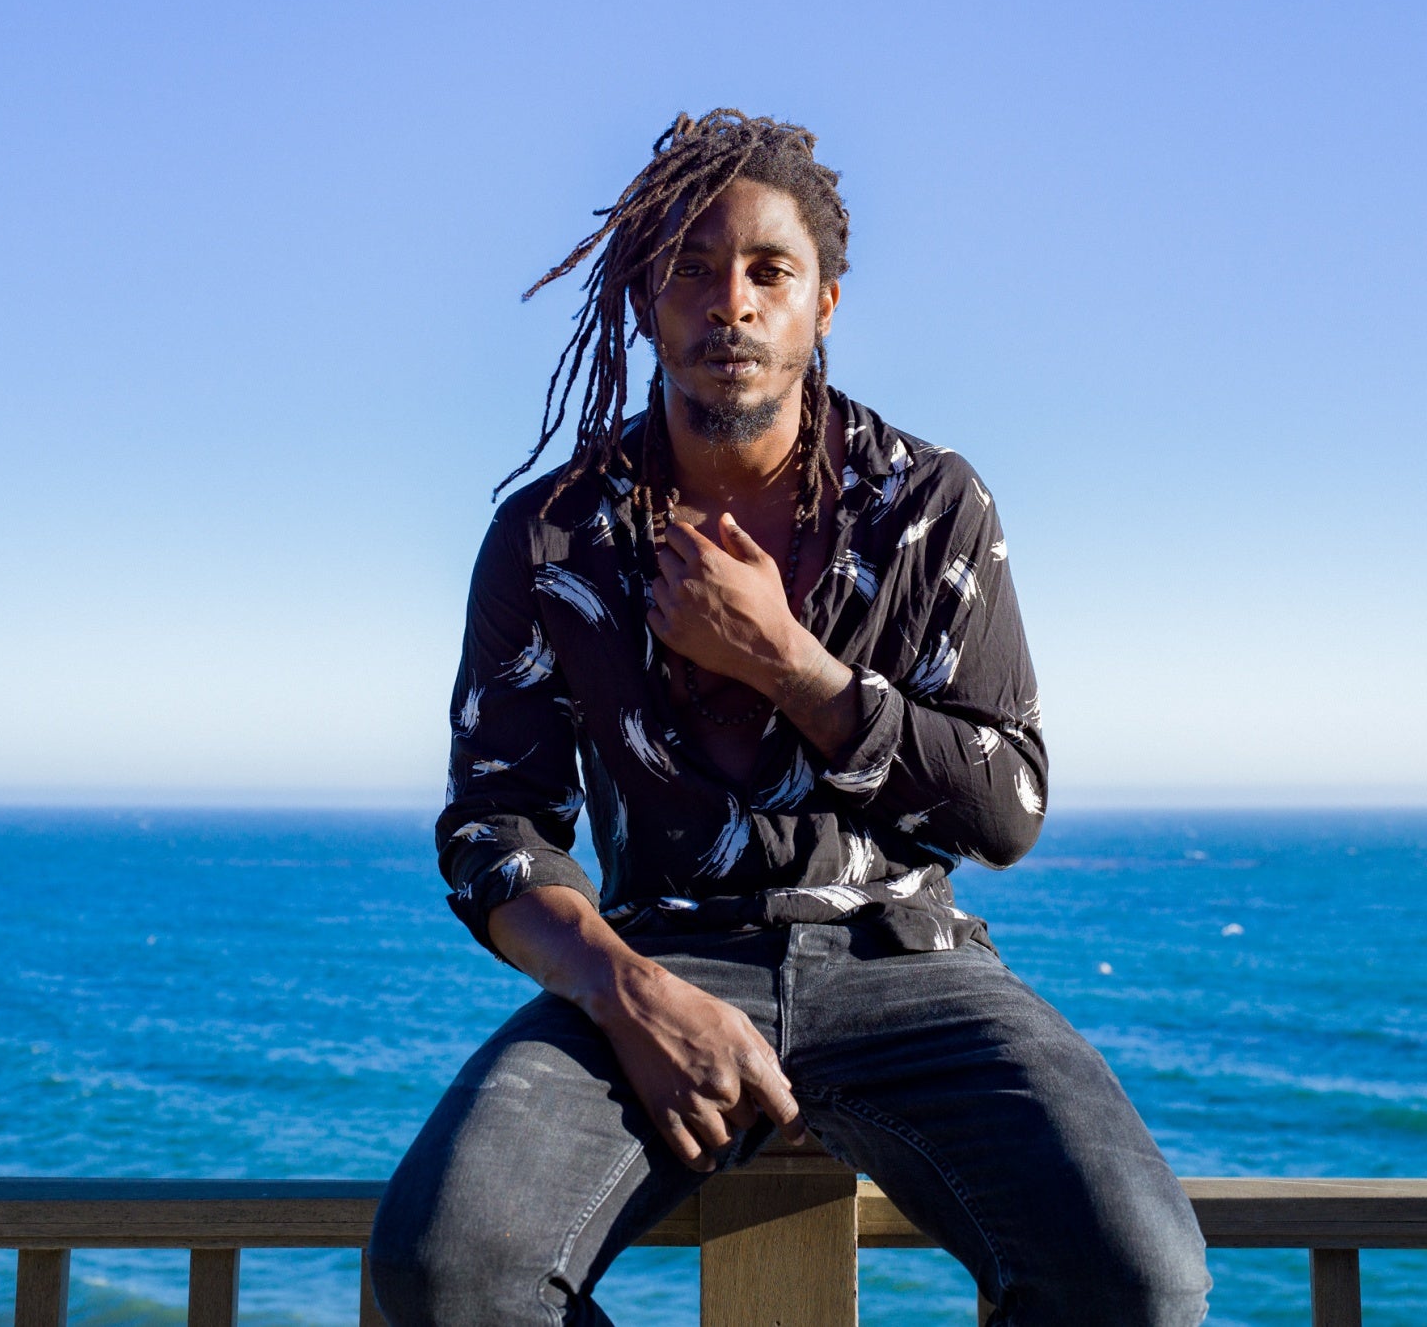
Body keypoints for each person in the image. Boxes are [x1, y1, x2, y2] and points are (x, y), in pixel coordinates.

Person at [368, 110, 1210, 1326]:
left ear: (822, 305)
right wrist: (625, 993)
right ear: (644, 301)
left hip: (906, 966)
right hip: (658, 957)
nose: (733, 303)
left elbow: (1007, 805)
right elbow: (493, 826)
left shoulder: (928, 504)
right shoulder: (553, 534)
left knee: (1137, 1277)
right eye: (693, 269)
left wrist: (787, 662)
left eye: (770, 271)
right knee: (442, 1269)